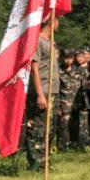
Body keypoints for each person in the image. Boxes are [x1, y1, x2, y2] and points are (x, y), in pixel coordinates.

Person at [24, 18, 58, 171]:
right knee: (38, 129)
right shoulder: (38, 42)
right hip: (42, 91)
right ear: (51, 22)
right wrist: (39, 94)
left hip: (51, 93)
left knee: (48, 130)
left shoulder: (49, 42)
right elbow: (34, 70)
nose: (58, 25)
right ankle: (36, 164)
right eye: (57, 21)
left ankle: (44, 161)